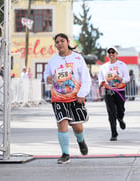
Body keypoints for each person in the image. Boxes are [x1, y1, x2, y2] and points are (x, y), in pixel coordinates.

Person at [43, 33, 91, 164]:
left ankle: (81, 141)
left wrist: (82, 94)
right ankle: (65, 154)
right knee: (62, 122)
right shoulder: (53, 60)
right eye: (57, 42)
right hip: (58, 97)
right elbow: (47, 73)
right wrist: (46, 77)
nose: (59, 44)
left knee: (77, 127)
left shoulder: (77, 58)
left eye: (62, 41)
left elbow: (86, 77)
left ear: (67, 42)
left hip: (75, 97)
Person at [98, 47, 130, 141]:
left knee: (120, 109)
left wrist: (120, 79)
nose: (111, 54)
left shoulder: (122, 65)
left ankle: (120, 118)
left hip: (120, 91)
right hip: (109, 91)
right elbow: (100, 78)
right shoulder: (104, 67)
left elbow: (127, 78)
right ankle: (114, 133)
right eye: (109, 52)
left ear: (117, 54)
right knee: (111, 113)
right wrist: (102, 83)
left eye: (113, 52)